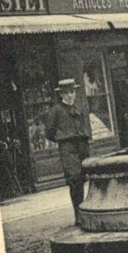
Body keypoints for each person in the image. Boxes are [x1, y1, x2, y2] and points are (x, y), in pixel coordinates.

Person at [42, 79, 93, 222]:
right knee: (74, 180)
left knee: (83, 179)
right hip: (68, 149)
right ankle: (78, 215)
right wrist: (62, 140)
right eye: (66, 93)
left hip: (81, 146)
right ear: (61, 95)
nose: (70, 95)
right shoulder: (55, 111)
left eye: (72, 92)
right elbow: (49, 132)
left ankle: (86, 212)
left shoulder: (79, 108)